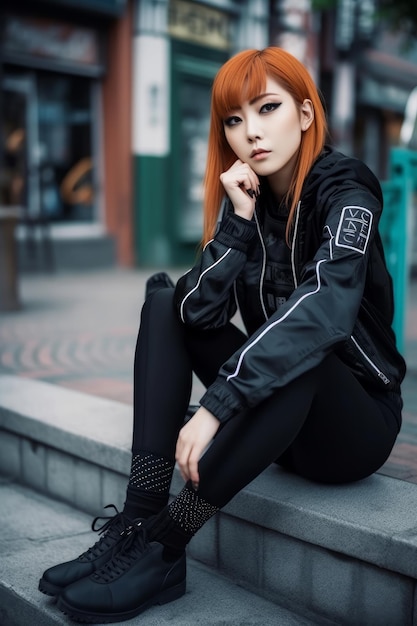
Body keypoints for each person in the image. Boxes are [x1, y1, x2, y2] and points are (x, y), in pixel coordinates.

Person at [38, 46, 406, 623]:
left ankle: (166, 544)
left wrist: (217, 404)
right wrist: (235, 225)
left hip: (353, 425)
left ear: (305, 115)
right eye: (235, 119)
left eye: (267, 108)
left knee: (302, 350)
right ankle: (137, 519)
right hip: (279, 423)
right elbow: (194, 313)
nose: (251, 133)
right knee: (163, 303)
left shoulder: (347, 190)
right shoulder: (249, 196)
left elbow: (325, 310)